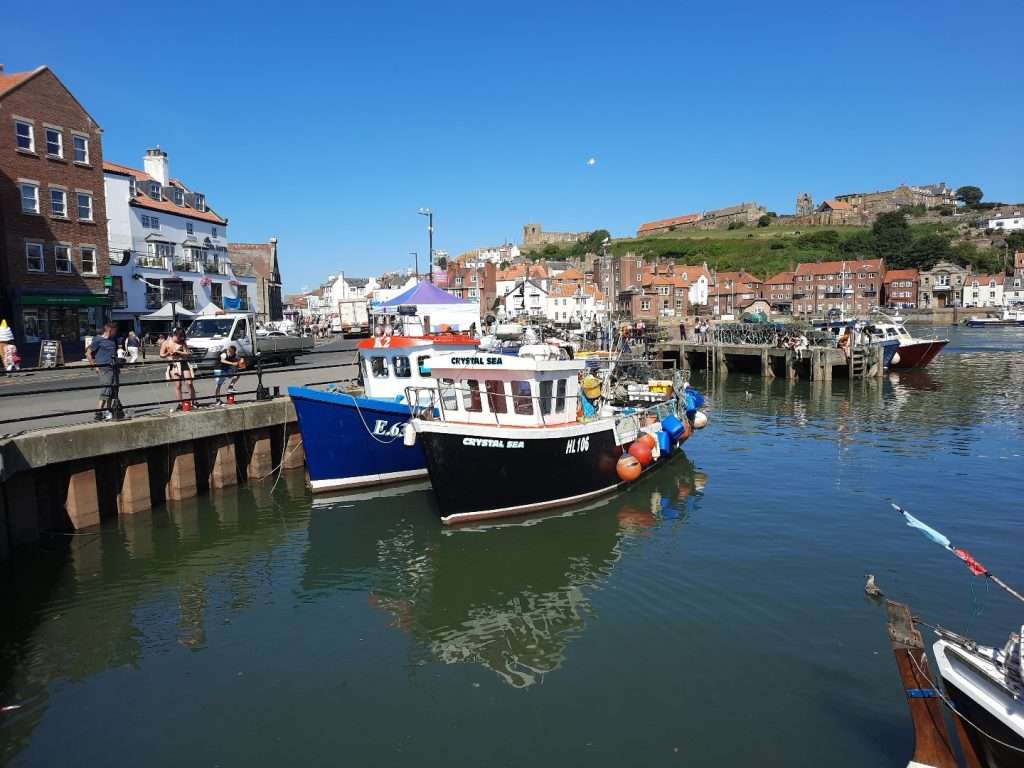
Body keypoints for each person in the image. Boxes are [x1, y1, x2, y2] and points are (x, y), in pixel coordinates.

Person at [86, 323, 119, 421]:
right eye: (115, 331)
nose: (116, 333)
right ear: (110, 330)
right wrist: (95, 366)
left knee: (113, 390)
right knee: (106, 389)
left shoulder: (113, 340)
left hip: (113, 368)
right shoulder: (98, 340)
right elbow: (88, 353)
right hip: (104, 368)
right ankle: (98, 412)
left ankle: (108, 411)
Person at [161, 327, 196, 410]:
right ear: (175, 335)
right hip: (174, 365)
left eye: (182, 337)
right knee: (178, 385)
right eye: (179, 337)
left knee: (189, 383)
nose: (180, 339)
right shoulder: (166, 343)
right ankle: (180, 404)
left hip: (183, 363)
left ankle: (193, 401)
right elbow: (161, 355)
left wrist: (179, 352)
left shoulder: (182, 342)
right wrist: (168, 353)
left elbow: (187, 353)